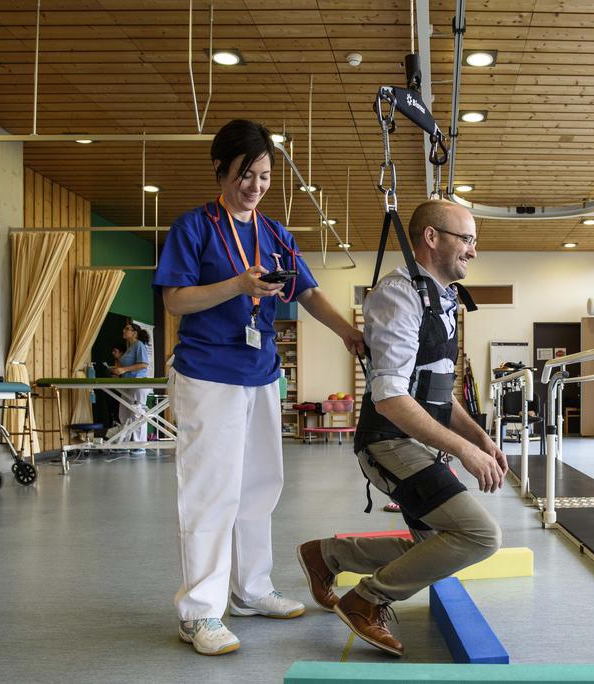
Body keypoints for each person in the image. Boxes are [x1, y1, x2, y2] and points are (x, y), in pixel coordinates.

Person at [153, 119, 363, 655]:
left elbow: (308, 293)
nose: (255, 185)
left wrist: (348, 333)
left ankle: (250, 590)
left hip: (263, 372)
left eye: (265, 175)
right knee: (210, 492)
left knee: (260, 486)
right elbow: (175, 300)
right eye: (246, 174)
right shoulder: (194, 227)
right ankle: (199, 613)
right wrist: (238, 286)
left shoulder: (275, 234)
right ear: (221, 170)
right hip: (207, 373)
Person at [297, 199, 507, 657]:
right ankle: (366, 600)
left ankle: (328, 556)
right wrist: (466, 454)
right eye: (466, 238)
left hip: (418, 442)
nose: (473, 250)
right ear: (431, 238)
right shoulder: (399, 295)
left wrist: (482, 439)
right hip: (388, 442)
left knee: (434, 550)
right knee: (480, 535)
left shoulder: (443, 300)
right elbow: (391, 398)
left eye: (474, 240)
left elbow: (439, 395)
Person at [109, 322, 151, 448]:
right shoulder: (130, 348)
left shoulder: (139, 345)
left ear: (134, 333)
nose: (124, 330)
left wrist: (124, 370)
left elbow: (143, 364)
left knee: (137, 413)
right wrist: (118, 371)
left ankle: (139, 446)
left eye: (127, 329)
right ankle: (124, 444)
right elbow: (126, 367)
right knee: (124, 413)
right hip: (127, 384)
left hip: (138, 382)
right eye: (124, 328)